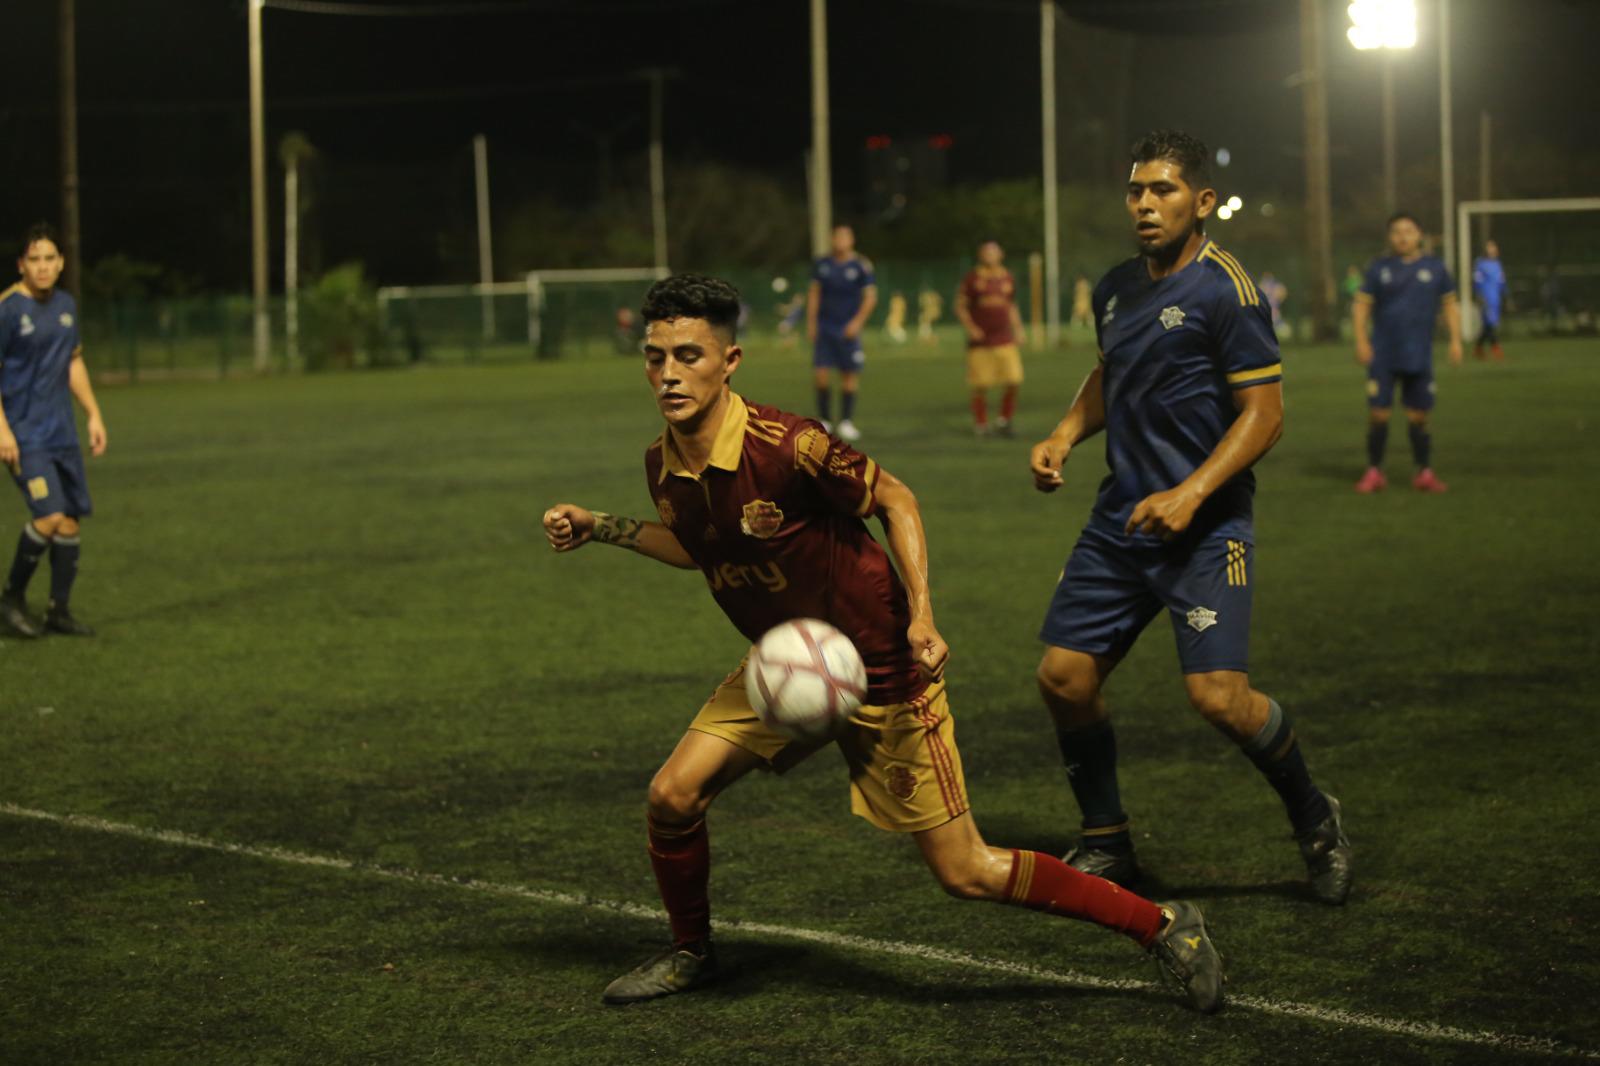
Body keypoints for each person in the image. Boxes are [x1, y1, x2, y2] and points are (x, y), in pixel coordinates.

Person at [543, 272, 1225, 1013]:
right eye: (655, 358)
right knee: (672, 797)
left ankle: (1161, 924)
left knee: (965, 870)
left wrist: (922, 615)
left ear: (730, 360)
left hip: (883, 670)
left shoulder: (791, 446)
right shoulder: (663, 464)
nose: (669, 375)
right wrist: (601, 526)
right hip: (791, 665)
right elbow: (694, 545)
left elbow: (896, 497)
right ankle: (691, 952)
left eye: (688, 356)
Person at [1027, 130, 1351, 906]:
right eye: (1137, 190)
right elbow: (1112, 371)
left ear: (1202, 202)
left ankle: (1317, 818)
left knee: (1219, 700)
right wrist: (1065, 433)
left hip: (1207, 527)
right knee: (1063, 678)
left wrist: (1192, 493)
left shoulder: (1227, 291)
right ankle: (1107, 841)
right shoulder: (1115, 288)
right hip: (1123, 520)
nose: (1145, 204)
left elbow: (1265, 415)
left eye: (1163, 191)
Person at [0, 222, 106, 638]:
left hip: (61, 431)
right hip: (24, 433)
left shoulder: (65, 305)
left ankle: (58, 611)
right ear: (21, 264)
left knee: (70, 523)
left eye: (49, 259)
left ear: (61, 263)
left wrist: (94, 414)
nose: (42, 267)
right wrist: (3, 430)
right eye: (34, 259)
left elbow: (73, 362)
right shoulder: (7, 309)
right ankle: (9, 600)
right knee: (49, 515)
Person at [1351, 213, 1463, 494]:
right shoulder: (1378, 268)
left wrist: (1456, 341)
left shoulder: (1435, 268)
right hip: (1383, 354)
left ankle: (1424, 472)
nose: (1403, 237)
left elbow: (1450, 305)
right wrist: (1362, 341)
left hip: (1419, 355)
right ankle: (1375, 471)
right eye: (1397, 232)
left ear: (1419, 235)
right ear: (1390, 237)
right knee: (1379, 414)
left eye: (1409, 231)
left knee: (1419, 416)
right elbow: (1361, 306)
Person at [806, 224, 876, 441]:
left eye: (845, 237)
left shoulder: (861, 266)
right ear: (832, 240)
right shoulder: (822, 265)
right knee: (821, 375)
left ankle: (846, 421)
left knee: (849, 376)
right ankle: (825, 420)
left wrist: (857, 323)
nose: (840, 241)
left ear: (851, 240)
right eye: (837, 237)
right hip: (826, 327)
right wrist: (811, 322)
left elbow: (870, 298)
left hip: (848, 329)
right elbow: (815, 295)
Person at [954, 239, 1026, 438]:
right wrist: (971, 328)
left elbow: (1012, 306)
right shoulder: (973, 278)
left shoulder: (1007, 277)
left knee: (1014, 379)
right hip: (981, 342)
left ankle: (1004, 420)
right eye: (986, 252)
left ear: (1000, 255)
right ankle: (981, 423)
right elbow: (960, 306)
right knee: (980, 384)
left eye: (993, 252)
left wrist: (1018, 329)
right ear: (980, 256)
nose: (990, 256)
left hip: (1005, 339)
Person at [1472, 239, 1507, 361]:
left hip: (1496, 299)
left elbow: (1502, 282)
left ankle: (1478, 348)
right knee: (1490, 325)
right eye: (1490, 247)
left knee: (1487, 326)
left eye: (1494, 246)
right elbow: (1477, 282)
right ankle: (1496, 348)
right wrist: (1479, 296)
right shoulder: (1480, 264)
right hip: (1486, 299)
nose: (1493, 249)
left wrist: (1505, 294)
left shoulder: (1497, 264)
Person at [1258, 272, 1289, 337]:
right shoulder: (1263, 285)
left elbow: (1283, 292)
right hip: (1270, 308)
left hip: (1272, 308)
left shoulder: (1263, 285)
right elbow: (1283, 292)